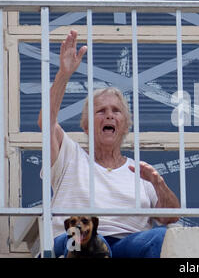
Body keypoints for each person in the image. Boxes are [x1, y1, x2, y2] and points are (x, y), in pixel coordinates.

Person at [38, 30, 180, 258]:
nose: (109, 116)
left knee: (159, 237)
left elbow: (170, 217)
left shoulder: (140, 172)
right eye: (101, 111)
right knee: (90, 240)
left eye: (116, 111)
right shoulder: (69, 155)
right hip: (76, 242)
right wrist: (64, 74)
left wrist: (159, 184)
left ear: (124, 126)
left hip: (128, 246)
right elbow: (47, 120)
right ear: (86, 126)